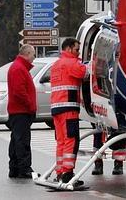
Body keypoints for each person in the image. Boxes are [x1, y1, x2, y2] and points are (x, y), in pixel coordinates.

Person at [51, 38, 88, 185]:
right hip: (69, 108)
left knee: (60, 141)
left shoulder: (56, 64)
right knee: (71, 141)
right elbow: (84, 73)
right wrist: (91, 64)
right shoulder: (71, 63)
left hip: (56, 108)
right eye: (77, 49)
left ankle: (60, 172)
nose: (78, 52)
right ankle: (68, 173)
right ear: (68, 48)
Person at [6, 44, 37, 179]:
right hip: (21, 111)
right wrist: (30, 105)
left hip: (19, 111)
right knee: (22, 141)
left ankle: (15, 168)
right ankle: (24, 169)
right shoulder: (19, 68)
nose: (34, 58)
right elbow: (19, 92)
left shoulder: (19, 67)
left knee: (16, 140)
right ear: (27, 53)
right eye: (33, 54)